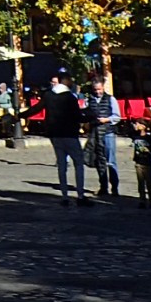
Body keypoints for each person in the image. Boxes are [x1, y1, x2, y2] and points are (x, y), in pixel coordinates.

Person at [41, 72, 87, 203]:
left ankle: (65, 196)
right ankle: (80, 195)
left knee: (61, 164)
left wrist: (21, 116)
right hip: (69, 134)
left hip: (55, 134)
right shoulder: (69, 97)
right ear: (65, 81)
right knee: (78, 163)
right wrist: (91, 117)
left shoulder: (48, 95)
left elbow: (36, 108)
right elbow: (77, 116)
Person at [87, 76, 122, 199]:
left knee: (110, 161)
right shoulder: (90, 99)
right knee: (99, 161)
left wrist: (106, 119)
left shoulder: (111, 99)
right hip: (95, 133)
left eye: (99, 89)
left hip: (108, 133)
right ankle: (103, 187)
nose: (98, 92)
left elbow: (117, 117)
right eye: (95, 89)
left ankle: (115, 188)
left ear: (103, 87)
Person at [129, 118, 151, 207]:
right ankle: (142, 200)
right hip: (138, 161)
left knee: (149, 182)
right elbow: (129, 131)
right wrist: (132, 127)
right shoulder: (135, 135)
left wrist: (147, 149)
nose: (136, 125)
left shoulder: (148, 137)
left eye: (138, 124)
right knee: (140, 182)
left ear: (143, 126)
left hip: (147, 162)